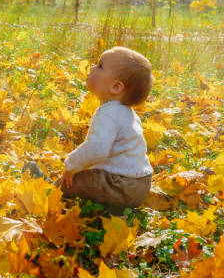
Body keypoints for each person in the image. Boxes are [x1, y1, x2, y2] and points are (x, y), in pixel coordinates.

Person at [58, 46, 154, 215]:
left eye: (100, 66)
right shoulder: (126, 113)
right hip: (141, 184)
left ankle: (49, 192)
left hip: (121, 185)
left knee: (74, 181)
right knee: (89, 176)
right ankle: (110, 210)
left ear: (116, 87)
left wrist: (72, 165)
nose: (93, 68)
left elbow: (97, 150)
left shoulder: (109, 114)